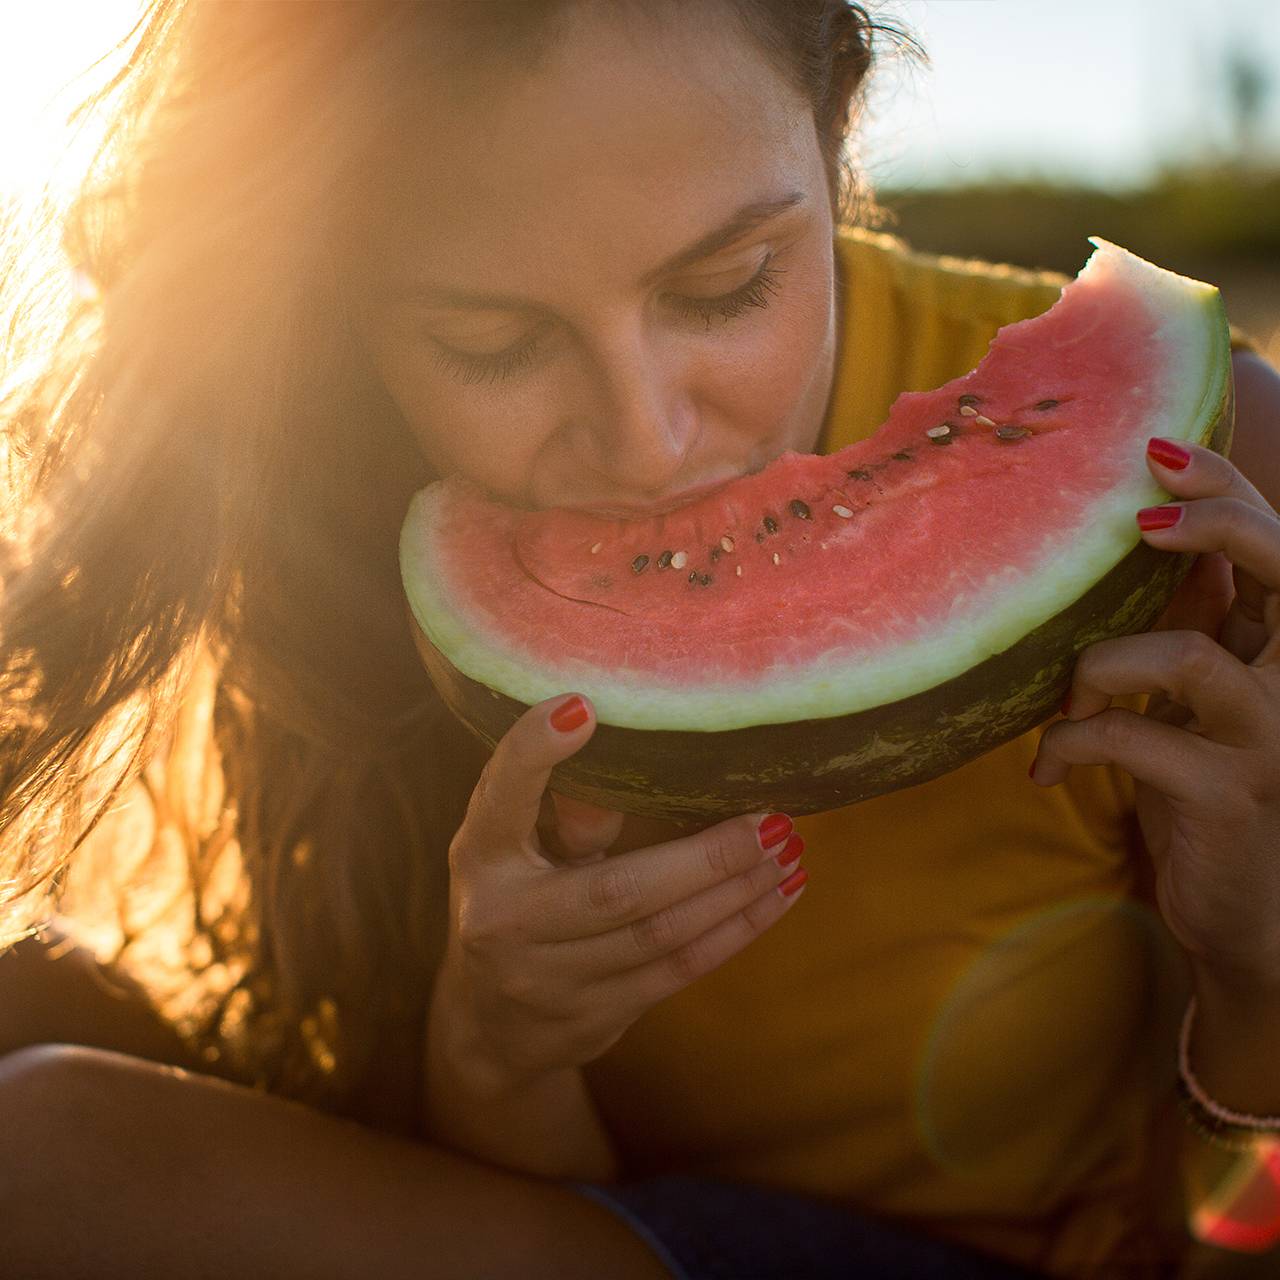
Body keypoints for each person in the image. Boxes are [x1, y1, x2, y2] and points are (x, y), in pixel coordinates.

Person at [0, 2, 1277, 1276]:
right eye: (490, 343)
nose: (645, 439)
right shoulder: (323, 539)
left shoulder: (1198, 468)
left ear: (832, 138)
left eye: (727, 287)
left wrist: (1258, 976)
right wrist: (497, 1051)